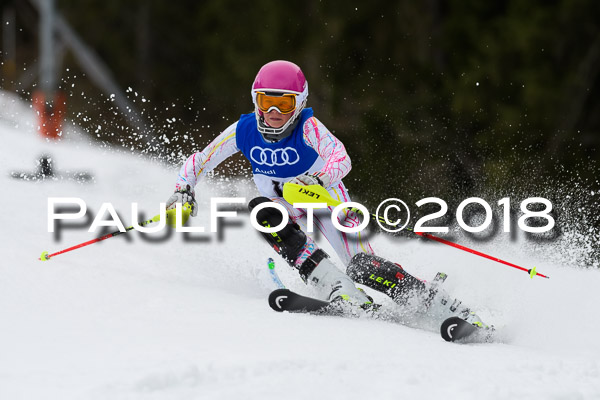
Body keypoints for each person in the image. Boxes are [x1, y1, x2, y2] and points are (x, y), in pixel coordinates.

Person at [166, 60, 487, 325]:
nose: (275, 110)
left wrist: (318, 179)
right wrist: (184, 190)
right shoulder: (244, 130)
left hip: (327, 203)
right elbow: (200, 160)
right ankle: (334, 285)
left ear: (299, 103)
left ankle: (434, 301)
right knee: (264, 211)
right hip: (286, 205)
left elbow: (341, 158)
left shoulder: (308, 127)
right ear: (256, 101)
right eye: (267, 101)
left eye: (285, 102)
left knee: (363, 266)